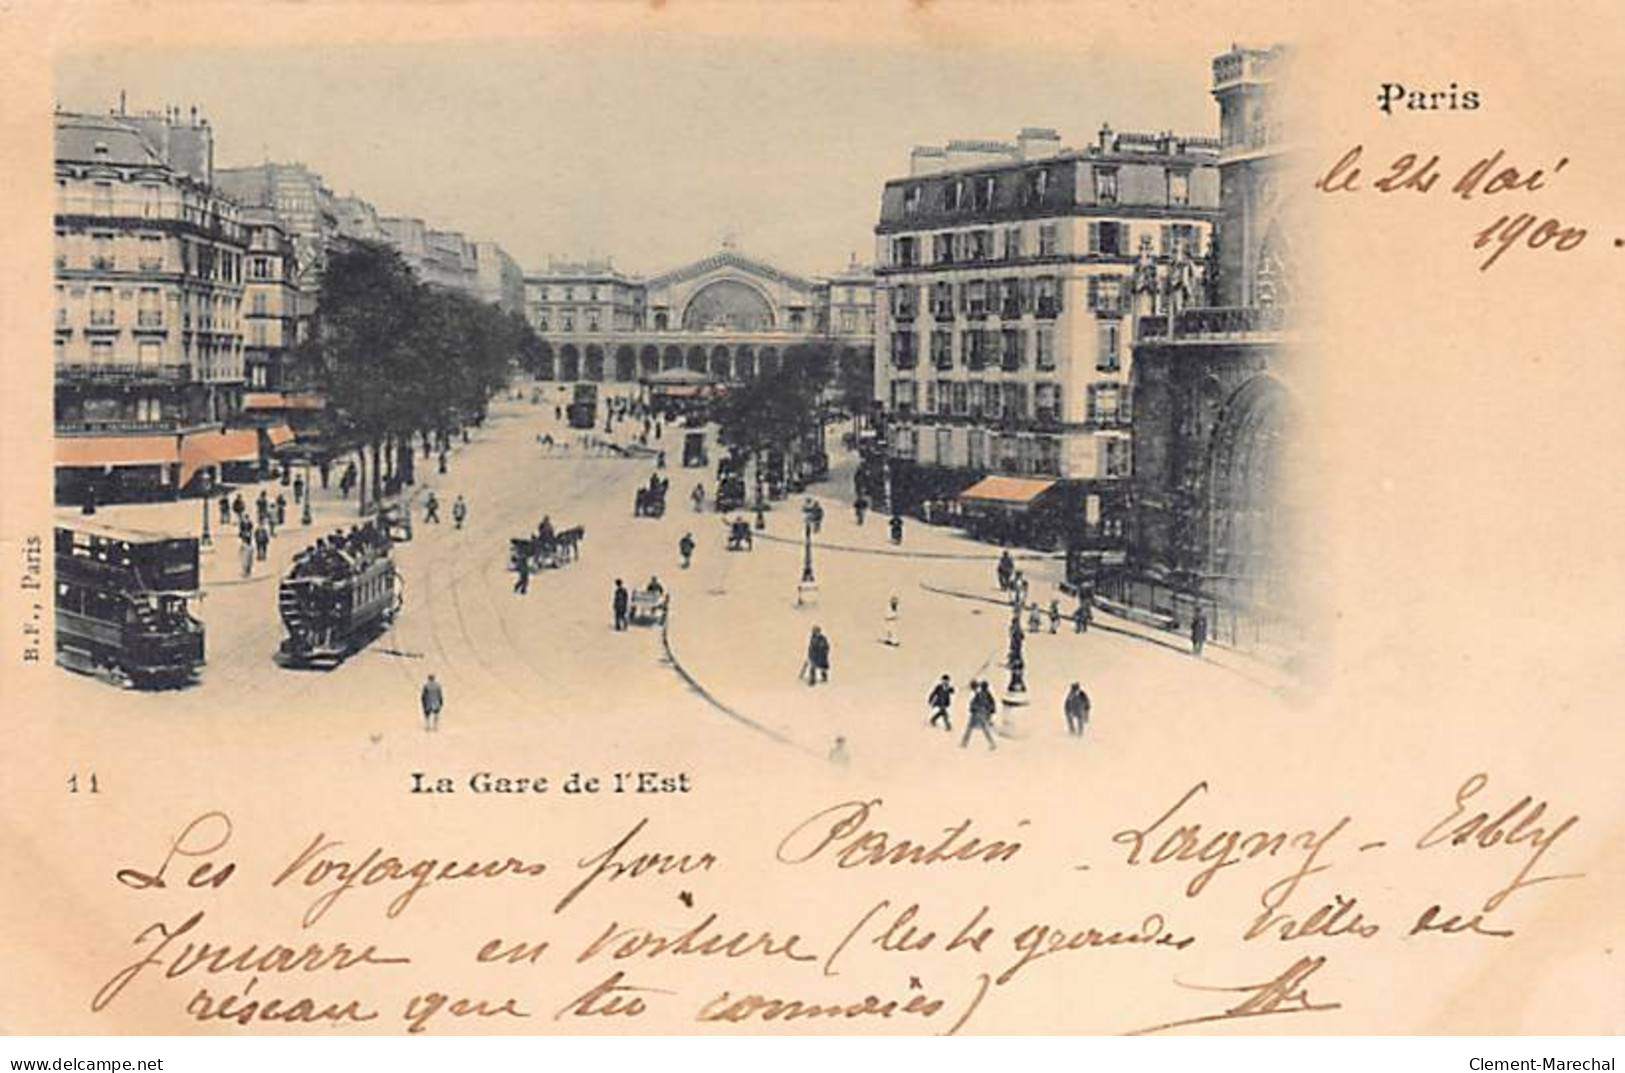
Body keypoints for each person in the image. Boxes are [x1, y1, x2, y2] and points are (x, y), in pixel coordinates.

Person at [961, 681, 997, 750]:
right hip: (981, 714)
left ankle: (964, 743)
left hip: (979, 714)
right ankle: (992, 743)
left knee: (971, 728)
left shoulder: (981, 694)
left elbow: (975, 703)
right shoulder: (986, 694)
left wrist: (972, 708)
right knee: (982, 729)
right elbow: (992, 705)